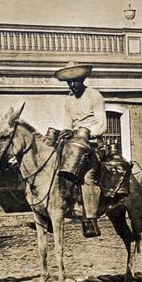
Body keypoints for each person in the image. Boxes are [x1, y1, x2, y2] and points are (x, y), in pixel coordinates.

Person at [54, 61, 107, 238]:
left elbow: (102, 124)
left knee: (88, 176)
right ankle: (52, 211)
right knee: (54, 165)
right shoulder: (68, 100)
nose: (72, 85)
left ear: (82, 79)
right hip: (73, 142)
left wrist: (87, 134)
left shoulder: (94, 96)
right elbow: (66, 123)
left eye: (75, 81)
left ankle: (90, 219)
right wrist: (65, 132)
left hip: (91, 142)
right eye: (69, 82)